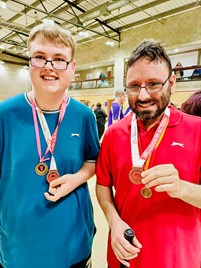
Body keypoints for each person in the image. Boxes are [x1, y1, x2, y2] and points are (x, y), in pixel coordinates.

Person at [0, 22, 99, 268]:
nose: (49, 67)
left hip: (73, 243)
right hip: (20, 247)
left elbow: (92, 161)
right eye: (40, 57)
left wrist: (76, 178)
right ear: (30, 63)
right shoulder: (5, 114)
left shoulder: (84, 115)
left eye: (59, 59)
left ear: (72, 67)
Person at [96, 39, 201, 268]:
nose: (143, 96)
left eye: (154, 84)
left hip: (180, 260)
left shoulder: (198, 130)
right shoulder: (113, 134)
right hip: (124, 257)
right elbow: (103, 184)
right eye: (134, 86)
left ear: (172, 82)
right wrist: (113, 222)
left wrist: (183, 188)